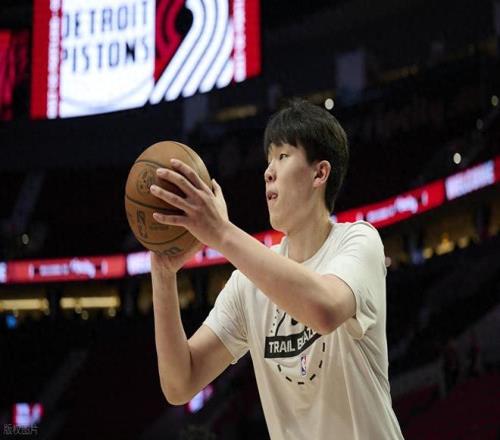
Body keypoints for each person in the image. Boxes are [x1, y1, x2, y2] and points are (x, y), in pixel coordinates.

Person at [149, 99, 404, 440]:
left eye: (283, 156)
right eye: (268, 160)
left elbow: (325, 310)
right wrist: (163, 275)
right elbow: (180, 384)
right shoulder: (246, 285)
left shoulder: (358, 241)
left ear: (320, 173)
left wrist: (222, 233)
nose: (268, 171)